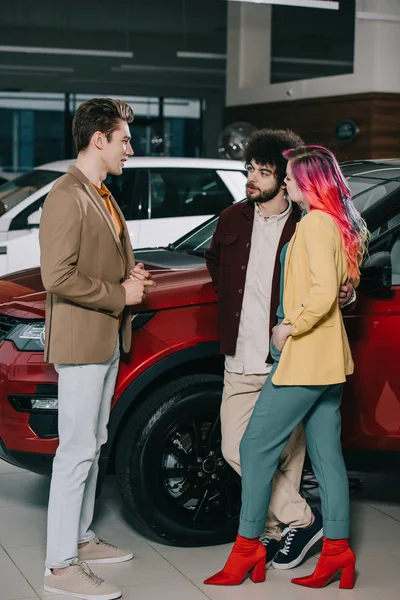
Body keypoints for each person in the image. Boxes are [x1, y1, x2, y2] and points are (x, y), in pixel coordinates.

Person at [204, 145, 369, 589]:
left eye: (292, 178)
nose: (289, 183)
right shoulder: (334, 223)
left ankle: (248, 549)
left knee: (254, 451)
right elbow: (335, 282)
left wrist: (287, 327)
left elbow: (321, 293)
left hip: (302, 360)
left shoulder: (313, 223)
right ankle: (337, 551)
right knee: (327, 459)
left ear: (310, 183)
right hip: (329, 363)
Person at [39, 98, 155, 600]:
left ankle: (80, 540)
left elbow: (94, 261)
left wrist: (126, 276)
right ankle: (59, 567)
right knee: (75, 452)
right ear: (99, 139)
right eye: (125, 139)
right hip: (83, 337)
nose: (131, 148)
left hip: (104, 336)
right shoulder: (67, 195)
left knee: (94, 444)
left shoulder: (101, 193)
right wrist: (119, 295)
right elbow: (56, 276)